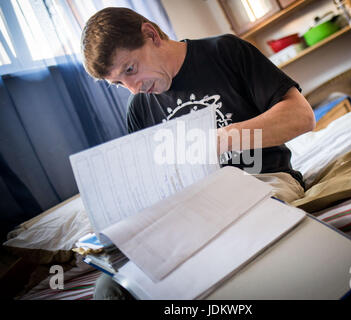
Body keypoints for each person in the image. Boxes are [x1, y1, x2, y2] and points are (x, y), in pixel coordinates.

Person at [81, 7, 315, 300]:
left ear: (151, 35)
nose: (133, 89)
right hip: (191, 209)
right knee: (110, 288)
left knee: (230, 245)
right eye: (118, 83)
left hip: (263, 180)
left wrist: (223, 139)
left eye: (130, 69)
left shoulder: (225, 52)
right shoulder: (138, 109)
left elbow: (302, 116)